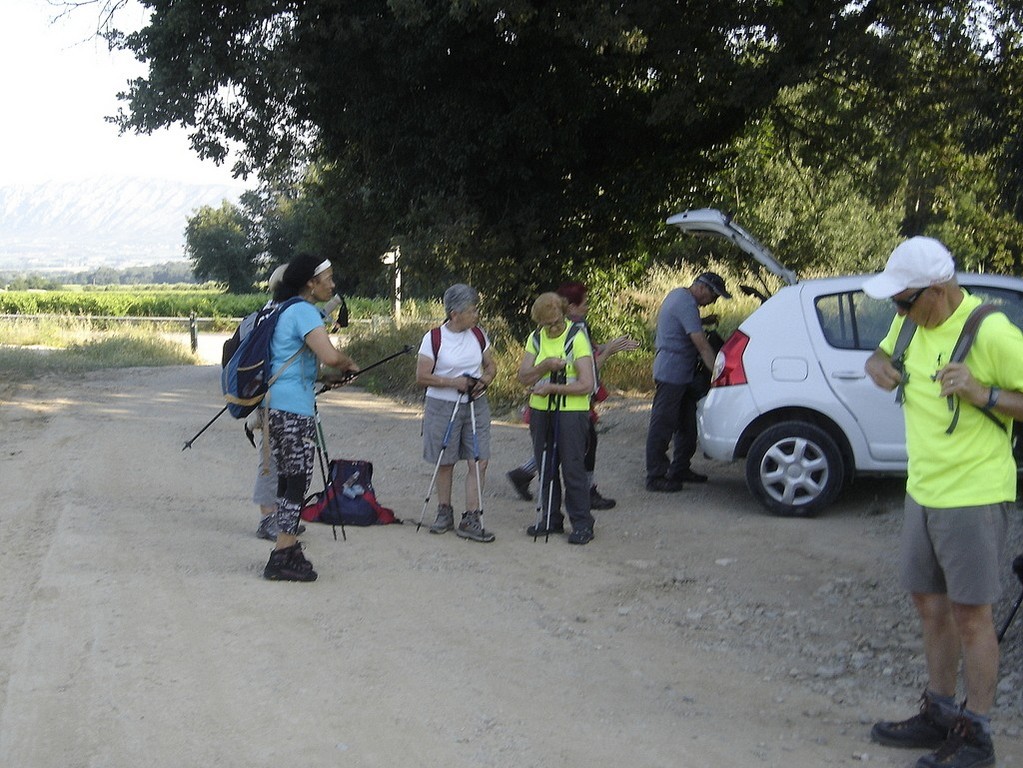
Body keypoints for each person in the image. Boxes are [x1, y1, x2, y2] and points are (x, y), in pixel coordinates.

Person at [863, 236, 1023, 768]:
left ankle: (975, 735)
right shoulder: (911, 321)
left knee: (972, 615)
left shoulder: (993, 333)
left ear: (938, 289)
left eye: (904, 301)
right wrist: (876, 365)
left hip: (974, 492)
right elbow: (881, 354)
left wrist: (984, 394)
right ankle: (938, 711)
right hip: (923, 487)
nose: (898, 311)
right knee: (929, 606)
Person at [262, 255, 359, 582]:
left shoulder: (285, 309)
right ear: (310, 283)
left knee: (289, 480)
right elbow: (330, 356)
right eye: (327, 278)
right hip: (293, 411)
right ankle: (282, 554)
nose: (332, 284)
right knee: (296, 482)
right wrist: (348, 364)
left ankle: (285, 547)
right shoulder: (303, 311)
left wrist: (324, 380)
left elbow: (293, 365)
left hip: (279, 406)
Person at [506, 281, 638, 509]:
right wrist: (609, 350)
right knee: (575, 451)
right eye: (583, 304)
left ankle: (526, 476)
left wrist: (608, 346)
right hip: (565, 405)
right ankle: (583, 497)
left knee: (557, 449)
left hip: (558, 403)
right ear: (571, 308)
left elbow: (588, 353)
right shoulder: (572, 332)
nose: (586, 308)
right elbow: (589, 371)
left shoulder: (574, 330)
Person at [416, 284, 498, 542]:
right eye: (472, 311)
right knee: (446, 460)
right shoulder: (433, 338)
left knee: (479, 458)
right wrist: (454, 383)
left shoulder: (478, 334)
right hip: (442, 405)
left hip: (476, 403)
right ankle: (444, 511)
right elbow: (422, 376)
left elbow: (491, 365)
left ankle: (471, 517)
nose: (476, 315)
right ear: (454, 314)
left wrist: (484, 381)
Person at [517, 292, 596, 544]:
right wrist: (544, 367)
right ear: (539, 323)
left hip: (572, 412)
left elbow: (587, 384)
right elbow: (524, 376)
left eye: (557, 321)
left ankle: (582, 523)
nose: (554, 327)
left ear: (564, 313)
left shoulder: (576, 337)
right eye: (547, 324)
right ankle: (550, 519)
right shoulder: (535, 339)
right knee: (545, 465)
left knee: (572, 466)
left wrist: (553, 388)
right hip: (541, 411)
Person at [645, 271, 730, 492]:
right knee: (663, 424)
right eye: (714, 296)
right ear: (702, 288)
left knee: (686, 424)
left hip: (683, 373)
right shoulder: (686, 303)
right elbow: (702, 345)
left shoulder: (680, 297)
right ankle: (655, 476)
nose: (714, 301)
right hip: (672, 372)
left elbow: (681, 323)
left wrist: (703, 320)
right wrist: (720, 374)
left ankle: (680, 467)